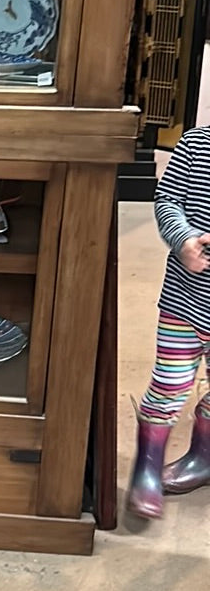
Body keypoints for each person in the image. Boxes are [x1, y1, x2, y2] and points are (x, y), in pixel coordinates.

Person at [127, 125, 210, 519]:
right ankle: (147, 464)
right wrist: (184, 239)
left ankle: (203, 455)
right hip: (186, 300)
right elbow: (167, 201)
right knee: (170, 383)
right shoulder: (196, 143)